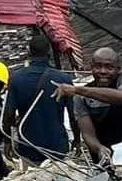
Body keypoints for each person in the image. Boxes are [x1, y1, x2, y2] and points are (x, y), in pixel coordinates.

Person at [57, 47, 122, 163]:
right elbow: (88, 133)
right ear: (91, 68)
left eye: (109, 67)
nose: (103, 71)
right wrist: (98, 148)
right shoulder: (81, 98)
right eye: (98, 66)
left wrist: (78, 90)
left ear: (118, 69)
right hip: (105, 158)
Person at [6, 32, 75, 164]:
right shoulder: (63, 79)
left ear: (29, 52)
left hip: (29, 145)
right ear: (49, 53)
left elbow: (9, 115)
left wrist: (8, 142)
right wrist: (76, 139)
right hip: (57, 145)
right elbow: (73, 115)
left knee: (34, 180)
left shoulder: (16, 79)